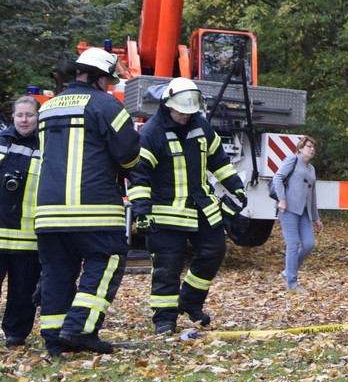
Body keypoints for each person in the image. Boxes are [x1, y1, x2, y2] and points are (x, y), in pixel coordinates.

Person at [34, 48, 141, 355]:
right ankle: (79, 328)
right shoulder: (106, 105)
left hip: (49, 213)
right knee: (107, 259)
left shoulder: (48, 107)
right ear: (97, 78)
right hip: (93, 209)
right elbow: (130, 152)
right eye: (108, 80)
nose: (110, 86)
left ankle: (54, 339)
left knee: (56, 272)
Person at [127, 77, 247, 334]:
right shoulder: (150, 133)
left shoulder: (200, 125)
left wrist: (235, 185)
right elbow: (139, 175)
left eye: (188, 111)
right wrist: (141, 210)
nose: (184, 116)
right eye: (180, 111)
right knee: (168, 265)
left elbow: (218, 159)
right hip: (166, 211)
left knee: (214, 252)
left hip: (201, 205)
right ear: (167, 105)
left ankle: (190, 301)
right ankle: (164, 318)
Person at [0, 96, 41, 348]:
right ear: (12, 117)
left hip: (29, 234)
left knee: (23, 291)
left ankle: (16, 334)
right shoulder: (1, 142)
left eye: (29, 115)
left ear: (38, 117)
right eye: (19, 115)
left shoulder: (46, 146)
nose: (24, 120)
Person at [273, 135, 323, 294]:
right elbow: (278, 177)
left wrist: (316, 217)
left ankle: (288, 272)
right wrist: (281, 199)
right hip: (288, 209)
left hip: (304, 212)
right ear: (300, 148)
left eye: (313, 147)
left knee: (309, 244)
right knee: (293, 245)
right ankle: (292, 283)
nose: (312, 149)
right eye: (308, 146)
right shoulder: (292, 160)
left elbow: (313, 193)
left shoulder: (312, 168)